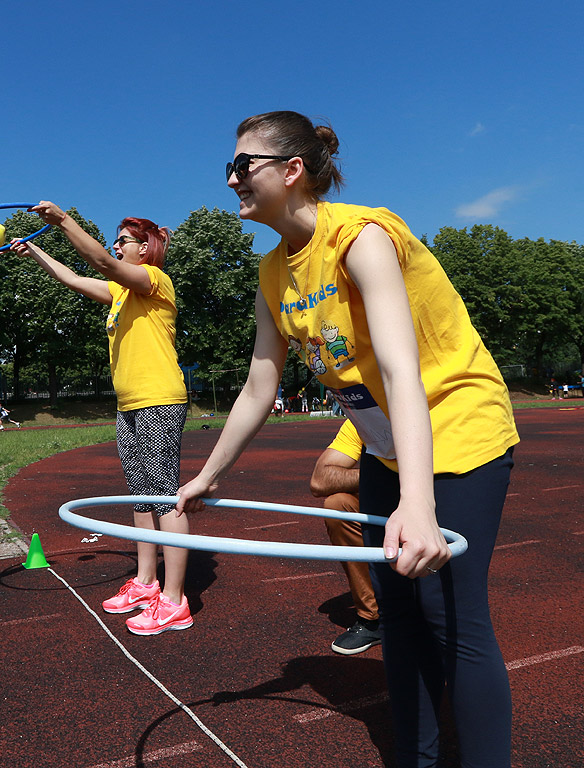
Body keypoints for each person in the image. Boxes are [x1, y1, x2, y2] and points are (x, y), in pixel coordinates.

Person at [176, 111, 519, 767]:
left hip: (459, 425)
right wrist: (208, 475)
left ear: (292, 171)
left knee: (451, 617)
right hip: (388, 441)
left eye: (243, 165)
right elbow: (257, 386)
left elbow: (400, 367)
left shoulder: (361, 237)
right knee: (400, 614)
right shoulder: (273, 272)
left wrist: (416, 504)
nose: (231, 180)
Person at [11, 203, 191, 636]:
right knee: (141, 497)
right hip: (130, 405)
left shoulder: (154, 282)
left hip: (159, 400)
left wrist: (64, 222)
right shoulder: (120, 294)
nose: (115, 245)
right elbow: (74, 278)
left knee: (165, 497)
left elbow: (101, 262)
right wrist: (35, 252)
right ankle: (147, 584)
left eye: (123, 240)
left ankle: (175, 600)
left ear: (144, 250)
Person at [310, 419, 381, 655]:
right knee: (337, 504)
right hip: (387, 499)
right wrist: (382, 478)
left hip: (433, 501)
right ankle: (373, 618)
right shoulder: (365, 416)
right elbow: (320, 480)